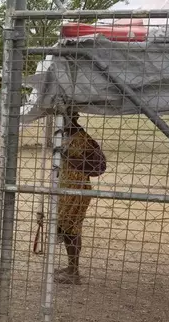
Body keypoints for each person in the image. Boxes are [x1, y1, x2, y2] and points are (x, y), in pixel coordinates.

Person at [54, 113, 106, 285]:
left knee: (71, 229)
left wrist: (69, 157)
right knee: (65, 227)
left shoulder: (82, 138)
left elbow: (99, 167)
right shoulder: (66, 136)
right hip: (66, 189)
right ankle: (71, 267)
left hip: (77, 190)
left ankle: (74, 271)